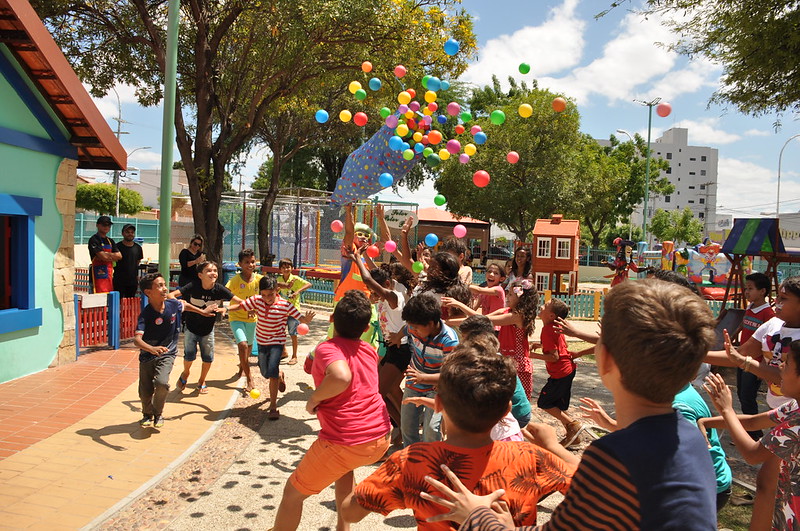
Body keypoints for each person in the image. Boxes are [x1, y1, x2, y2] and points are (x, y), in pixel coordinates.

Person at [427, 280, 720, 530]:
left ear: (604, 360)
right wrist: (554, 449)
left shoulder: (611, 456)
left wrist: (477, 515)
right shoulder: (690, 434)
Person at [340, 344, 576, 530]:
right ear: (507, 410)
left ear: (438, 404)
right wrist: (554, 447)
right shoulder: (531, 458)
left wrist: (345, 463)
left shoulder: (412, 461)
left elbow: (350, 512)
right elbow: (600, 491)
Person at [272, 290, 389, 531]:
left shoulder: (327, 348)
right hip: (379, 437)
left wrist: (313, 400)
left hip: (345, 442)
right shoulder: (368, 350)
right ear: (367, 327)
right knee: (343, 471)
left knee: (292, 493)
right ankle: (342, 528)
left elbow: (341, 376)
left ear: (332, 318)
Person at [704, 342, 800, 531]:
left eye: (787, 364)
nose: (780, 367)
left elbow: (752, 454)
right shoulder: (794, 407)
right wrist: (707, 422)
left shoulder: (796, 423)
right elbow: (752, 422)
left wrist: (727, 409)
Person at [347, 246, 409, 445]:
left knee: (377, 393)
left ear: (387, 284)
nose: (373, 293)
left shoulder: (394, 297)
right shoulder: (382, 295)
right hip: (391, 348)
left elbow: (368, 280)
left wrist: (357, 258)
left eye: (376, 289)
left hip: (402, 350)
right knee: (388, 391)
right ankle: (403, 428)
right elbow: (373, 278)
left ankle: (396, 432)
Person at [229, 276, 315, 420]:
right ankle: (279, 375)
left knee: (272, 374)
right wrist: (224, 308)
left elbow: (300, 319)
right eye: (264, 295)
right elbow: (241, 305)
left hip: (277, 343)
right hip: (262, 343)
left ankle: (273, 407)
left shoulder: (285, 305)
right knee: (265, 372)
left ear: (277, 290)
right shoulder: (257, 300)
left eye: (270, 294)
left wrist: (306, 320)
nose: (267, 298)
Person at [133, 273, 210, 428]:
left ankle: (158, 413)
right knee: (145, 391)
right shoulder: (145, 315)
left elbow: (185, 305)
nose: (165, 288)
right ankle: (146, 414)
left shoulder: (172, 305)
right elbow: (137, 340)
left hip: (168, 353)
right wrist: (151, 348)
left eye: (164, 284)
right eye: (159, 286)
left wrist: (202, 312)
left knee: (162, 383)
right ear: (148, 292)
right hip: (147, 355)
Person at [443, 279, 538, 398]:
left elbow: (483, 320)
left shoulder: (517, 316)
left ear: (521, 299)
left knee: (517, 401)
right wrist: (446, 322)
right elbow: (478, 317)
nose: (507, 297)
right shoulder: (506, 311)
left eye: (511, 295)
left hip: (519, 366)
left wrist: (458, 305)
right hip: (507, 361)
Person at [399, 292, 459, 446]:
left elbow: (449, 374)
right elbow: (405, 329)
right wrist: (396, 337)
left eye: (416, 327)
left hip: (437, 388)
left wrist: (422, 377)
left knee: (431, 430)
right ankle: (411, 459)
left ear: (431, 323)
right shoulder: (414, 327)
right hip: (414, 383)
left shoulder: (449, 340)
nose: (412, 330)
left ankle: (432, 461)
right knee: (407, 425)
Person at [172, 261, 241, 394]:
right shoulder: (193, 286)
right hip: (191, 328)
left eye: (215, 270)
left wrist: (224, 308)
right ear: (200, 275)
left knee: (208, 358)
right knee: (189, 356)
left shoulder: (220, 289)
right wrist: (181, 303)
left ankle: (202, 380)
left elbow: (240, 302)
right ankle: (185, 373)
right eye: (209, 271)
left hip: (208, 330)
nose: (213, 273)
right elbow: (171, 296)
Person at [530, 299, 583, 447]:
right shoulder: (553, 326)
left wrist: (533, 355)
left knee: (545, 403)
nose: (541, 306)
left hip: (560, 373)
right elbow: (559, 345)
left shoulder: (547, 329)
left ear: (551, 315)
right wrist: (540, 345)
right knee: (557, 406)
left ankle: (574, 426)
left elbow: (554, 357)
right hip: (567, 370)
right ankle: (573, 435)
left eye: (545, 306)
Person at [737, 272, 775, 438]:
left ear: (762, 291)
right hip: (741, 359)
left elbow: (769, 344)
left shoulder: (768, 314)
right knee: (741, 394)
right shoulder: (750, 308)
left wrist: (764, 368)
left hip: (754, 363)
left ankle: (754, 435)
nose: (747, 292)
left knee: (747, 397)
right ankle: (750, 430)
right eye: (746, 288)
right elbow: (743, 327)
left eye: (750, 289)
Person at [225, 248, 263, 392]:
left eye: (252, 262)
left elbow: (270, 291)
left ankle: (242, 366)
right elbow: (226, 293)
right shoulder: (234, 280)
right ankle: (249, 379)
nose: (250, 265)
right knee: (242, 345)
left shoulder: (259, 280)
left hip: (252, 320)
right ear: (240, 264)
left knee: (247, 349)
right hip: (236, 318)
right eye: (247, 262)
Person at [277, 259, 312, 365]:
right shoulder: (279, 279)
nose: (286, 269)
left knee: (293, 334)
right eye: (283, 267)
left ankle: (294, 356)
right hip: (282, 310)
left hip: (294, 311)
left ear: (292, 268)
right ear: (280, 270)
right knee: (280, 332)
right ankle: (283, 352)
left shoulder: (295, 279)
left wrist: (297, 291)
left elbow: (309, 284)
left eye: (288, 267)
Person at [88, 215, 121, 293]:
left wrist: (106, 255)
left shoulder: (110, 241)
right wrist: (111, 256)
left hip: (109, 273)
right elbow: (103, 257)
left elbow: (119, 256)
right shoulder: (94, 239)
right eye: (104, 225)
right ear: (97, 225)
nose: (106, 227)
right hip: (97, 274)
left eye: (108, 225)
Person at [468, 263, 506, 330]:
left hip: (496, 327)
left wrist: (463, 285)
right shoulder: (484, 291)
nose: (491, 274)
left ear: (502, 279)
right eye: (489, 271)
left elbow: (478, 290)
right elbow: (473, 308)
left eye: (496, 273)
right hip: (486, 325)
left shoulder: (499, 290)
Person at [113, 223, 143, 297]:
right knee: (118, 302)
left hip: (132, 282)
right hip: (119, 281)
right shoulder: (117, 247)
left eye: (132, 232)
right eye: (127, 232)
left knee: (130, 303)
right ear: (123, 233)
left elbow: (137, 262)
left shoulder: (138, 248)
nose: (130, 234)